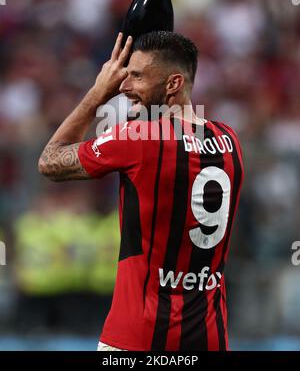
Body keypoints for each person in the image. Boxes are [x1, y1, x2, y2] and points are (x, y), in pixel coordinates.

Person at [38, 30, 244, 351]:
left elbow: (50, 161)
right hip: (208, 337)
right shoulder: (230, 140)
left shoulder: (139, 138)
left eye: (135, 76)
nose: (123, 86)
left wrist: (96, 95)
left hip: (137, 337)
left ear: (173, 84)